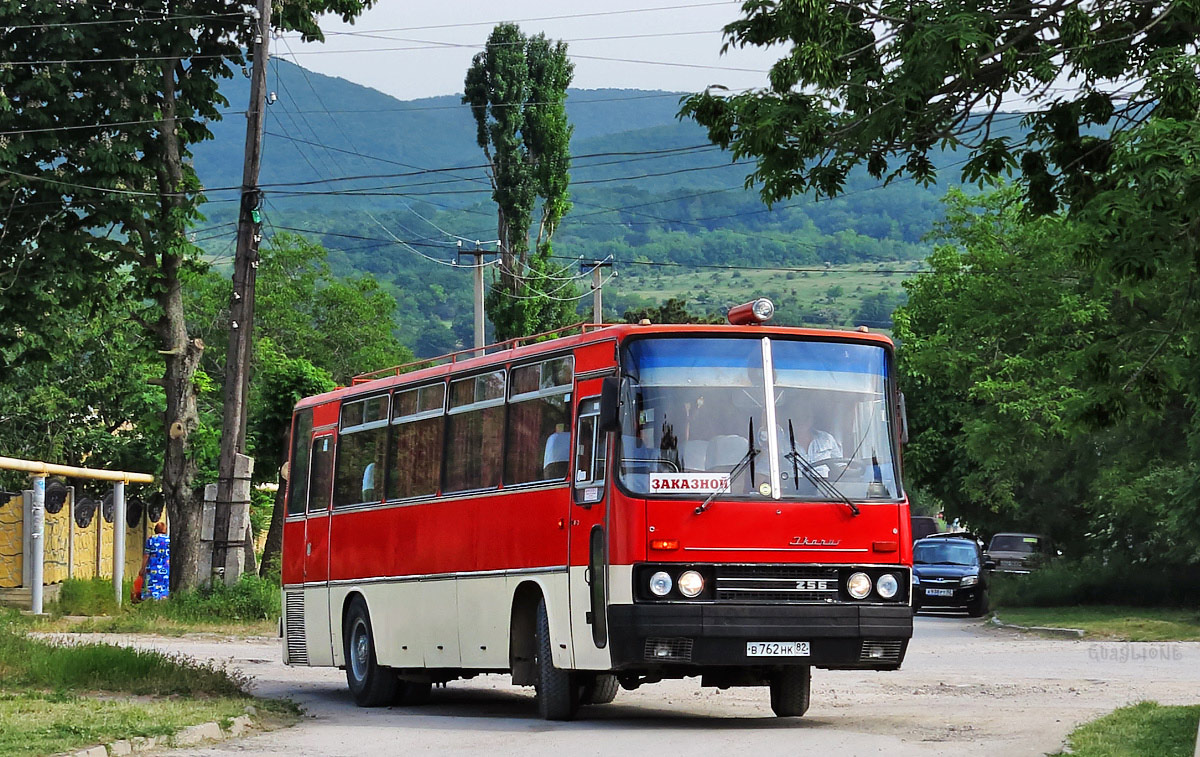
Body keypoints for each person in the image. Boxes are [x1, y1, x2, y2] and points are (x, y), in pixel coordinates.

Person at [139, 521, 170, 600]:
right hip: (166, 567)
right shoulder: (169, 540)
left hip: (152, 567)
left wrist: (142, 568)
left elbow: (146, 555)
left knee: (152, 584)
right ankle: (163, 598)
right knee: (164, 585)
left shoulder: (151, 540)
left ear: (155, 530)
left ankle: (151, 599)